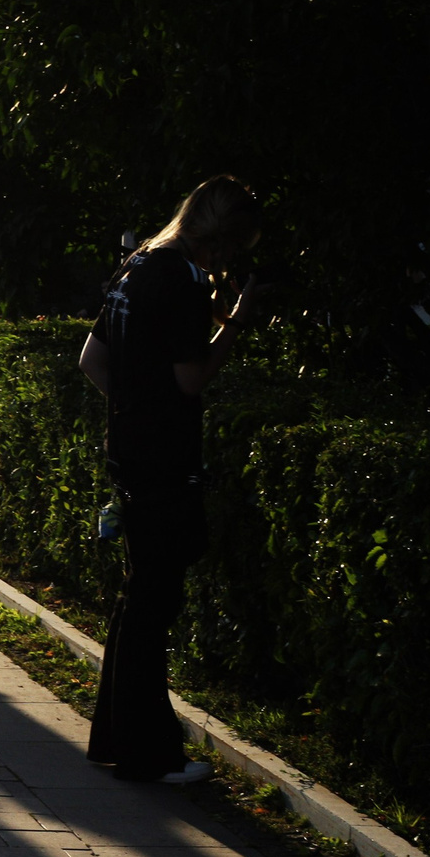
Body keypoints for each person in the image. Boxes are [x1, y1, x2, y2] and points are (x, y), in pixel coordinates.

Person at [78, 175, 264, 785]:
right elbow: (190, 378)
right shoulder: (183, 279)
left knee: (138, 597)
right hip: (165, 458)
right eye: (235, 249)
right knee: (155, 602)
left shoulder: (137, 266)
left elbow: (92, 360)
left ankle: (119, 739)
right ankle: (149, 754)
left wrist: (132, 408)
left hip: (131, 450)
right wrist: (236, 321)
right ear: (224, 239)